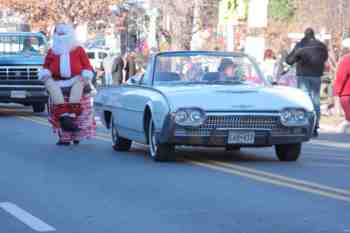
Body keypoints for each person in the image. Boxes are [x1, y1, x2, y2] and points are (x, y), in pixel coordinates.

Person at [39, 23, 96, 146]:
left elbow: (87, 65)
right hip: (57, 83)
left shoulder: (79, 50)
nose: (62, 37)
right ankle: (64, 134)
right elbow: (46, 66)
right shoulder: (52, 51)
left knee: (81, 114)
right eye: (59, 34)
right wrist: (46, 73)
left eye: (64, 34)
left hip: (76, 81)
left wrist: (86, 74)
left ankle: (76, 134)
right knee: (56, 102)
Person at [286, 28, 328, 137]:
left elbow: (289, 60)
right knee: (316, 101)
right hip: (316, 76)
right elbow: (325, 58)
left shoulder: (301, 45)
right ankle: (315, 126)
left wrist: (298, 58)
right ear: (314, 35)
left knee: (304, 100)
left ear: (305, 35)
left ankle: (304, 124)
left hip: (303, 75)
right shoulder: (321, 46)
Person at [333, 38, 350, 133]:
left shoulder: (346, 60)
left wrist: (336, 93)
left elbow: (341, 78)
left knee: (348, 119)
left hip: (346, 95)